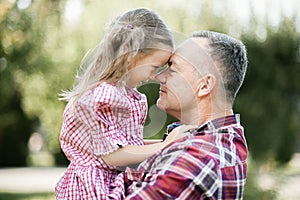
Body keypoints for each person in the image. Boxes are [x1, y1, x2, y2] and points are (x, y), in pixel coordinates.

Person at [55, 8, 193, 200]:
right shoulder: (103, 96)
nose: (155, 75)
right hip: (93, 186)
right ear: (132, 57)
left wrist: (168, 143)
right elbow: (113, 156)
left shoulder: (123, 95)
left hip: (109, 179)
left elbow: (129, 145)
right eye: (154, 67)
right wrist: (165, 145)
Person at [125, 30, 249, 199]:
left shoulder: (196, 162)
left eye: (173, 69)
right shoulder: (225, 139)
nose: (160, 76)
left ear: (204, 85)